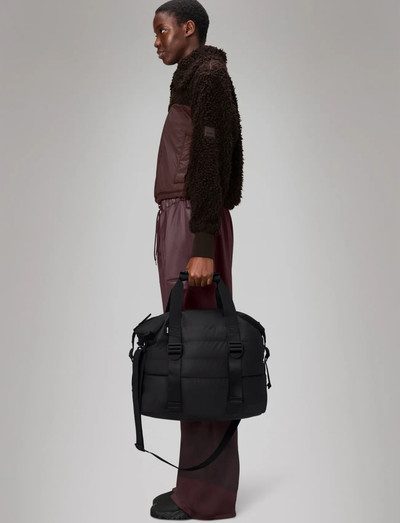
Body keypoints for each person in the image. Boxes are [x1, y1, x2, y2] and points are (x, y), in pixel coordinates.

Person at [150, 0, 244, 519]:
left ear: (189, 29)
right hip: (183, 219)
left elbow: (210, 160)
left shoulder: (207, 77)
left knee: (201, 353)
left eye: (162, 31)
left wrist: (203, 245)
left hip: (193, 225)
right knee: (188, 351)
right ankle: (196, 484)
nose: (156, 42)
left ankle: (206, 497)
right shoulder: (193, 78)